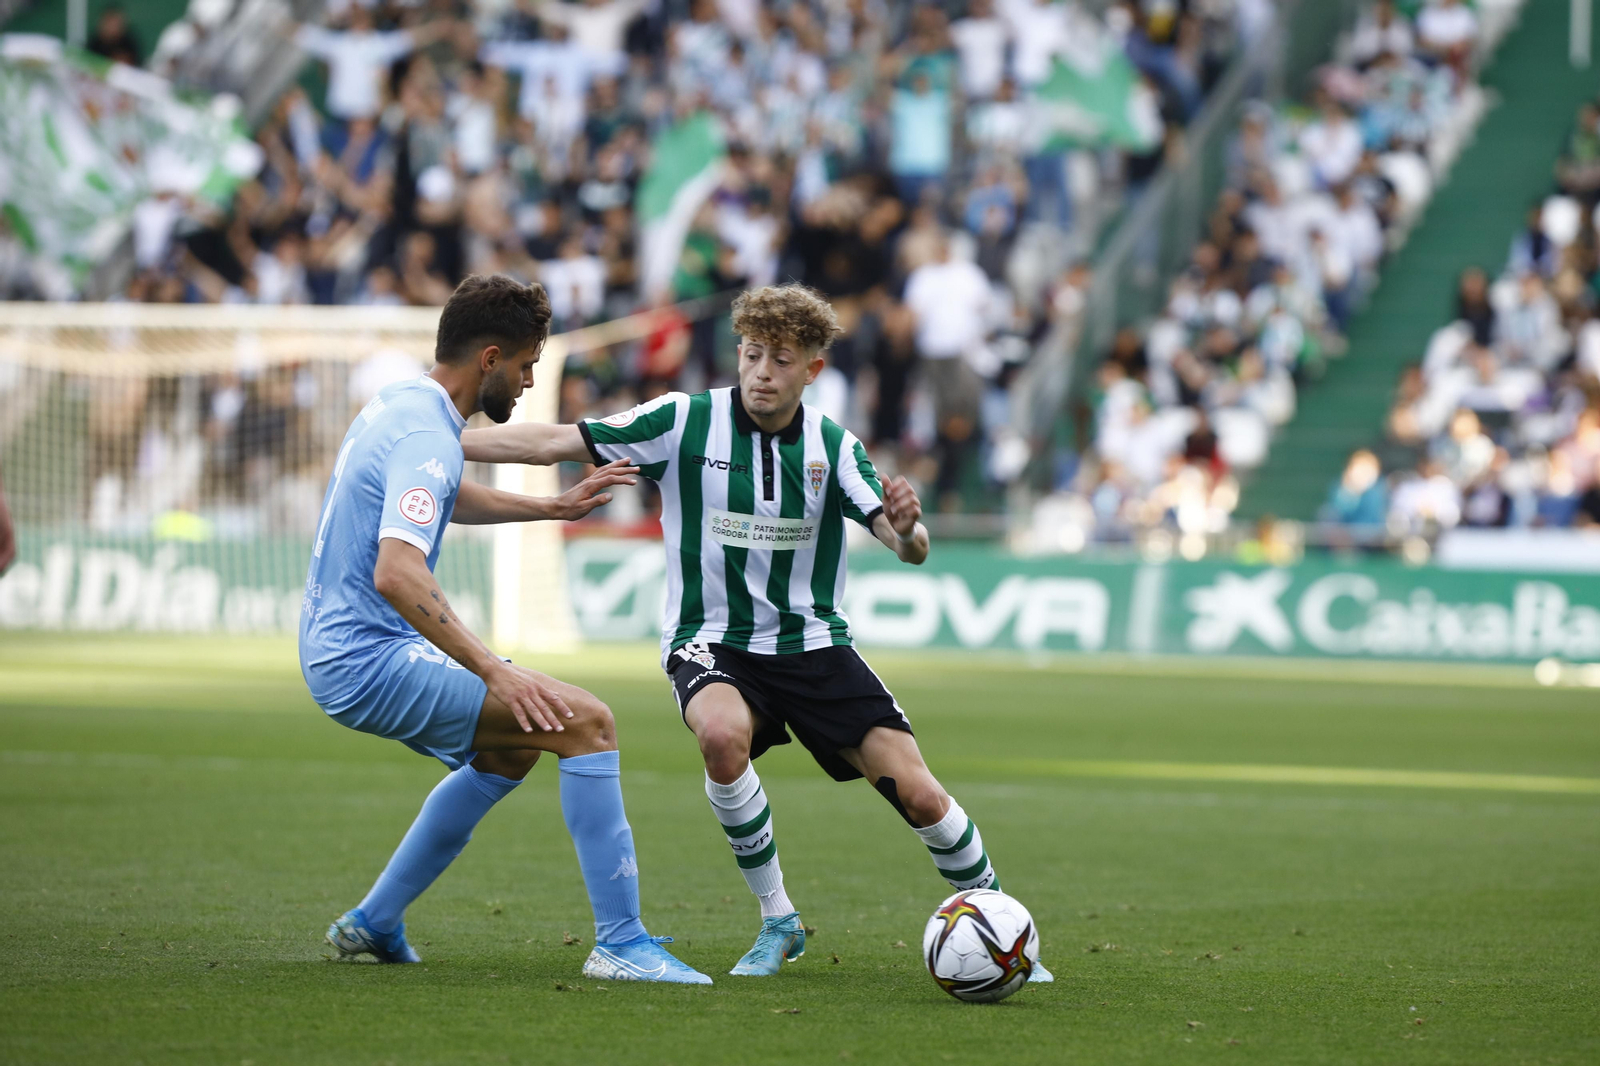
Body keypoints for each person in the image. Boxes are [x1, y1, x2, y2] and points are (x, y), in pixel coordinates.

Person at [460, 284, 1055, 983]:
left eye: (781, 359)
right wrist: (439, 439)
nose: (762, 372)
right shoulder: (684, 420)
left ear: (812, 369)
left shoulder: (834, 447)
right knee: (719, 735)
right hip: (711, 638)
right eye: (751, 355)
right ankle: (778, 919)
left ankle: (1001, 931)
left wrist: (907, 526)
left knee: (921, 795)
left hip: (814, 645)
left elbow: (909, 547)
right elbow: (553, 441)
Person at [299, 274, 710, 984]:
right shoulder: (427, 433)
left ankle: (376, 920)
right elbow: (397, 573)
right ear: (490, 358)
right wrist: (494, 669)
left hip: (343, 648)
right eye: (524, 365)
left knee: (514, 748)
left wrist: (548, 509)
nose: (528, 382)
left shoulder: (403, 403)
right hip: (365, 658)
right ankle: (621, 943)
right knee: (587, 723)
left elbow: (438, 493)